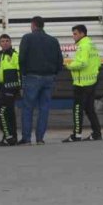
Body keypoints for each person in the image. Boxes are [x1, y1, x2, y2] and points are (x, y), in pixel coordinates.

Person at [17, 16, 63, 145]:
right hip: (49, 78)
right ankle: (40, 138)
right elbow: (60, 60)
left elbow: (21, 58)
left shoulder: (27, 38)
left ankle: (26, 138)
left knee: (28, 108)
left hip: (32, 77)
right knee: (44, 109)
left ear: (33, 25)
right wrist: (54, 73)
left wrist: (23, 74)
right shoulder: (53, 40)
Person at [63, 24, 103, 142]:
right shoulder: (91, 45)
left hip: (81, 84)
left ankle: (76, 135)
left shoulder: (83, 46)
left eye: (75, 34)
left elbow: (82, 63)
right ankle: (97, 133)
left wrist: (69, 65)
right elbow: (98, 63)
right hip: (91, 82)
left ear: (82, 34)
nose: (73, 36)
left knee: (77, 110)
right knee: (90, 109)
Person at [0, 33, 21, 146]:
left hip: (10, 88)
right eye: (2, 41)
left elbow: (19, 71)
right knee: (9, 113)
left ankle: (8, 137)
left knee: (0, 111)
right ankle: (12, 137)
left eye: (7, 41)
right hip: (3, 88)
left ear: (10, 42)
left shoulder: (14, 55)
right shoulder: (0, 55)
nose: (5, 43)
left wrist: (18, 87)